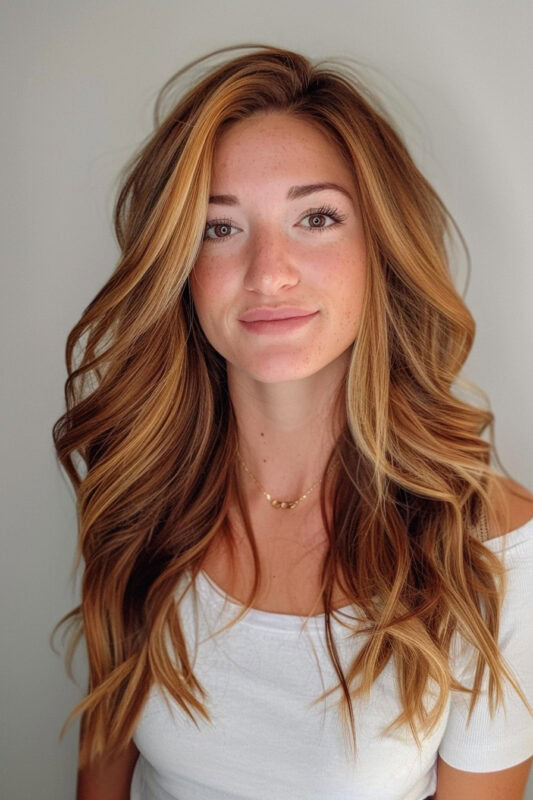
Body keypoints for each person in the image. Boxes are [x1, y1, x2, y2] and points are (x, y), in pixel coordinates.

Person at [51, 44, 533, 800]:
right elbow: (102, 774)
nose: (268, 270)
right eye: (219, 229)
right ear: (177, 266)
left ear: (380, 247)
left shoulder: (490, 549)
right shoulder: (138, 487)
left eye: (315, 217)